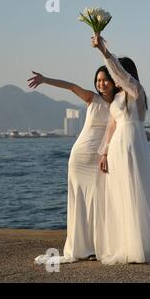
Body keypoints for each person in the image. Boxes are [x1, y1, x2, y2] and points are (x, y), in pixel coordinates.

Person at [92, 34, 150, 264]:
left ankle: (139, 248)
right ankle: (126, 245)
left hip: (132, 145)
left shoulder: (136, 91)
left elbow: (121, 77)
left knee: (135, 192)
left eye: (118, 73)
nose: (114, 78)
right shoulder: (117, 99)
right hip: (117, 146)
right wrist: (103, 152)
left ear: (126, 73)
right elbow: (112, 125)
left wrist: (104, 52)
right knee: (121, 194)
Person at [28, 67, 116, 263]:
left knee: (99, 202)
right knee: (80, 203)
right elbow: (70, 86)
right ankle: (81, 248)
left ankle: (96, 247)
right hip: (80, 156)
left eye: (105, 80)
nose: (101, 84)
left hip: (100, 158)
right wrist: (44, 79)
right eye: (98, 80)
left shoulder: (119, 104)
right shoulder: (92, 99)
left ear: (114, 81)